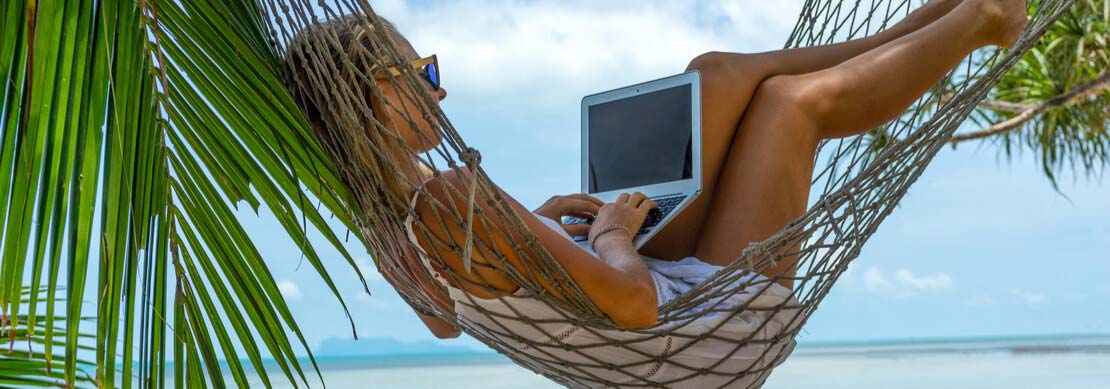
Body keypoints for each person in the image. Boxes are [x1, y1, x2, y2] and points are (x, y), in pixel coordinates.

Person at [285, 0, 1026, 385]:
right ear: (381, 100)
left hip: (644, 330)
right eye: (425, 74)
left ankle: (922, 26)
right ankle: (979, 18)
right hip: (695, 348)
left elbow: (448, 320)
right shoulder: (450, 196)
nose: (440, 91)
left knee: (714, 74)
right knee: (789, 107)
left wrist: (534, 232)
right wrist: (607, 232)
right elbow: (635, 305)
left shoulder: (387, 230)